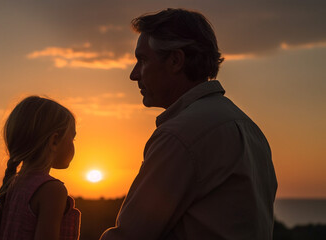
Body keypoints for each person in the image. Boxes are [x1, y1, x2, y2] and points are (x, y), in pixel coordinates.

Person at [100, 8, 277, 240]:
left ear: (175, 60)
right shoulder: (249, 128)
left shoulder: (180, 136)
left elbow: (129, 236)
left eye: (142, 60)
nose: (134, 75)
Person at [0, 96, 80, 240]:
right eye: (72, 138)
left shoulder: (15, 184)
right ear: (54, 141)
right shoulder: (52, 190)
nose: (73, 145)